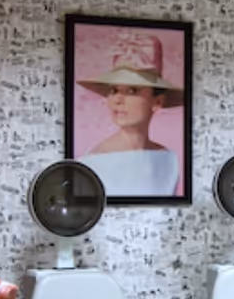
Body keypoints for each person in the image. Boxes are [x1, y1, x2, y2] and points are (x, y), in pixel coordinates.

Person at [77, 30, 183, 197]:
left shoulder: (169, 159)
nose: (118, 99)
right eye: (113, 90)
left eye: (132, 90)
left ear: (157, 102)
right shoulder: (92, 163)